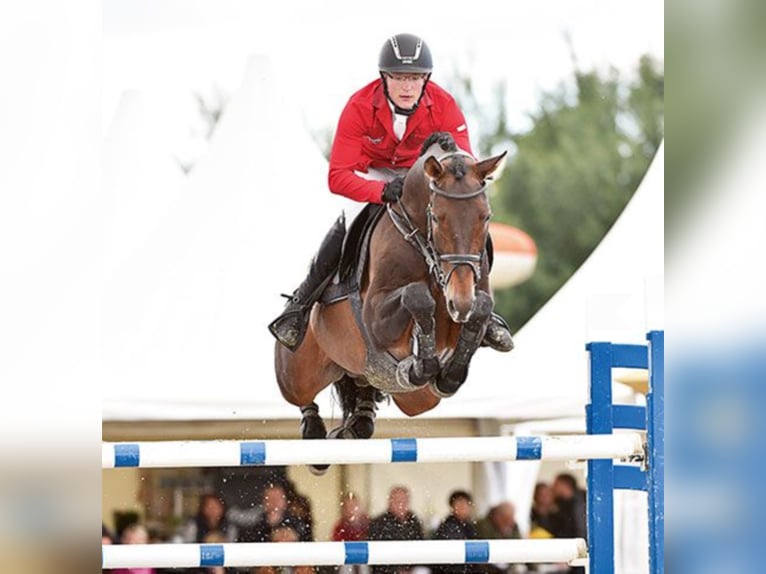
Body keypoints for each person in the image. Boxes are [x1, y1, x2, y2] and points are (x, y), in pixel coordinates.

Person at [268, 32, 513, 354]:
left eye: (415, 78)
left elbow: (462, 165)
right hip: (375, 173)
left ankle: (486, 313)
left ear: (426, 78)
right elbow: (338, 176)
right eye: (399, 77)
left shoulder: (443, 104)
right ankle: (299, 307)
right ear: (384, 77)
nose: (408, 87)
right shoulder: (359, 106)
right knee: (346, 222)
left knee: (468, 220)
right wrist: (381, 190)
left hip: (426, 177)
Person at [367, 486, 425, 574]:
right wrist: (396, 570)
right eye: (398, 501)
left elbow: (420, 546)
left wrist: (411, 568)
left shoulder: (413, 521)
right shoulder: (379, 523)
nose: (402, 504)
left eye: (405, 501)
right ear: (390, 502)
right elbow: (376, 554)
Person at [431, 490, 480, 574]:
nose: (463, 507)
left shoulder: (470, 525)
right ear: (452, 507)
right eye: (459, 504)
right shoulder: (448, 526)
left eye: (466, 504)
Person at [244, 483, 310, 543]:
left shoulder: (297, 522)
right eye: (270, 499)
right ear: (264, 502)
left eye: (277, 498)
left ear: (285, 501)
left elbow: (308, 543)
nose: (274, 502)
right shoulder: (256, 523)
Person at [548, 474, 587, 574]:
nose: (553, 487)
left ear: (564, 485)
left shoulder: (578, 503)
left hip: (578, 552)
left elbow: (580, 529)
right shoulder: (562, 504)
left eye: (556, 484)